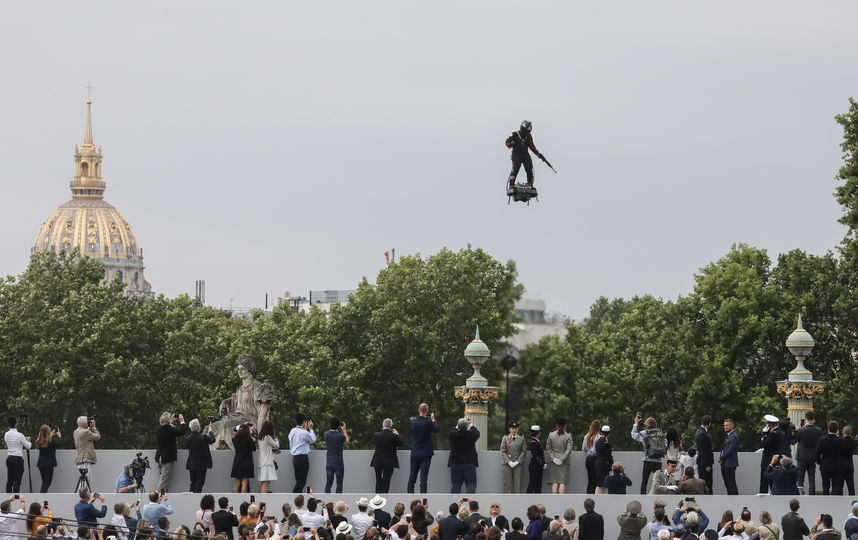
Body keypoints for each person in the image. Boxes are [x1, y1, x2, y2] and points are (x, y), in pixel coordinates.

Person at [212, 355, 276, 450]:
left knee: (226, 425)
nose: (240, 372)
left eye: (243, 369)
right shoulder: (240, 388)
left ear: (250, 369)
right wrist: (226, 401)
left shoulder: (257, 386)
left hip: (249, 421)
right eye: (238, 369)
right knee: (211, 427)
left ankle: (238, 450)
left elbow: (263, 410)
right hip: (236, 417)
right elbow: (234, 399)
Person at [505, 120, 548, 189]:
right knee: (516, 168)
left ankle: (530, 185)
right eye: (527, 131)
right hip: (516, 155)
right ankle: (511, 185)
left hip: (525, 155)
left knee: (530, 169)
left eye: (529, 131)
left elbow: (532, 146)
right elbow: (507, 142)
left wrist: (539, 154)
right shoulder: (514, 134)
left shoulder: (528, 136)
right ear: (523, 128)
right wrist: (510, 144)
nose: (528, 132)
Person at [407, 403, 439, 494]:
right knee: (423, 479)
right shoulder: (428, 422)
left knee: (412, 476)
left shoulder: (413, 422)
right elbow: (436, 429)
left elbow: (410, 432)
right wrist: (433, 420)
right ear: (427, 411)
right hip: (426, 453)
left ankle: (410, 496)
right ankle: (423, 500)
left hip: (415, 452)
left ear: (419, 410)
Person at [632, 416, 666, 495]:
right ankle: (658, 499)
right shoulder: (660, 433)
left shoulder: (644, 433)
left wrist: (636, 423)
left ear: (647, 424)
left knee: (644, 481)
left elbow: (633, 435)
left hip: (648, 460)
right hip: (658, 461)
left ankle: (643, 498)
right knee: (658, 482)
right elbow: (665, 444)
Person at [154, 412, 186, 492]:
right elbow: (182, 433)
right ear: (168, 422)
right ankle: (156, 498)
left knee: (163, 480)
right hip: (167, 458)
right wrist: (182, 421)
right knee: (164, 481)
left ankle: (163, 497)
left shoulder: (158, 430)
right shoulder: (170, 430)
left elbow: (166, 428)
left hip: (159, 457)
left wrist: (170, 422)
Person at [371, 418, 404, 494]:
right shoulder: (394, 436)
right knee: (387, 480)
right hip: (389, 461)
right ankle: (384, 498)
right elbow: (401, 443)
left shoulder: (376, 435)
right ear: (391, 426)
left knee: (378, 480)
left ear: (383, 425)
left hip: (378, 461)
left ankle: (377, 499)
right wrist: (398, 435)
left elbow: (373, 442)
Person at [795, 411, 823, 495]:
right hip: (812, 457)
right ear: (813, 419)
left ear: (806, 419)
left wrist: (797, 430)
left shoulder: (801, 430)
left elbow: (796, 440)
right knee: (812, 479)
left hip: (801, 457)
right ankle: (812, 495)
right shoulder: (818, 430)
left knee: (800, 479)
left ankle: (800, 495)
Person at [448, 418, 480, 494]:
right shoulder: (471, 434)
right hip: (469, 463)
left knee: (455, 485)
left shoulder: (453, 434)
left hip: (455, 463)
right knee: (471, 484)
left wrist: (458, 425)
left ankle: (455, 505)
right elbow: (477, 433)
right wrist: (471, 424)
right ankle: (470, 504)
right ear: (467, 426)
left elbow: (453, 431)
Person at [185, 419, 215, 493]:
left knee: (193, 482)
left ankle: (191, 496)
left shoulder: (188, 438)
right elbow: (212, 440)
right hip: (202, 464)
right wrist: (210, 431)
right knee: (200, 482)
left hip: (191, 463)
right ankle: (197, 498)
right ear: (199, 427)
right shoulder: (203, 437)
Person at [288, 413, 316, 493]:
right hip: (303, 458)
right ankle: (294, 498)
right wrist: (311, 429)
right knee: (302, 482)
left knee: (298, 481)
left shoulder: (292, 431)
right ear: (304, 422)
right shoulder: (305, 433)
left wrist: (305, 430)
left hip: (295, 458)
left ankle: (297, 498)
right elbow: (313, 439)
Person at [546, 417, 574, 494]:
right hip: (564, 463)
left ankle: (554, 502)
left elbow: (548, 448)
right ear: (565, 425)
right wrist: (561, 459)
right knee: (562, 483)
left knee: (555, 483)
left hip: (553, 462)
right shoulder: (568, 436)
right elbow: (569, 450)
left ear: (556, 425)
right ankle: (562, 503)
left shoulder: (551, 435)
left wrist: (554, 458)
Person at [4, 417, 31, 493]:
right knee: (17, 481)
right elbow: (28, 446)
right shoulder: (20, 435)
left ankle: (8, 499)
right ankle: (16, 498)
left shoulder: (6, 434)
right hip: (17, 459)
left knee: (10, 480)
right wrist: (28, 441)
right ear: (16, 424)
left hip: (9, 458)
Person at [500, 421, 527, 494]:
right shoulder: (505, 438)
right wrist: (509, 461)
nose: (514, 430)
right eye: (512, 428)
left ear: (517, 429)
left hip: (518, 464)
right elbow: (503, 451)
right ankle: (507, 499)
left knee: (517, 483)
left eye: (516, 428)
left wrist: (518, 461)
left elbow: (524, 451)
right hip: (507, 463)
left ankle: (517, 500)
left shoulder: (521, 438)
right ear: (509, 429)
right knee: (507, 483)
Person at [323, 418, 348, 494]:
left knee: (328, 483)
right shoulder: (340, 436)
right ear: (338, 426)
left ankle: (327, 500)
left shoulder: (326, 434)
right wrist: (344, 430)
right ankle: (338, 501)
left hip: (329, 461)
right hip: (338, 461)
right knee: (339, 483)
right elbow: (347, 441)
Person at [760, 415, 784, 493]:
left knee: (767, 483)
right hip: (770, 460)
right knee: (765, 483)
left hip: (770, 461)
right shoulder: (774, 432)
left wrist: (763, 434)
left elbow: (765, 444)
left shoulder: (775, 433)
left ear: (769, 424)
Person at [34, 425, 61, 494]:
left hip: (41, 464)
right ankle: (42, 496)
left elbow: (46, 440)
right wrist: (59, 435)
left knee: (45, 482)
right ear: (48, 432)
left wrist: (51, 435)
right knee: (47, 482)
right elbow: (59, 443)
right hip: (49, 465)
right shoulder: (52, 442)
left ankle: (43, 495)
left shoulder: (39, 441)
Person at [818, 420, 843, 496]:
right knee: (836, 485)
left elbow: (817, 453)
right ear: (837, 430)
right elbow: (842, 453)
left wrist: (820, 462)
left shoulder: (822, 439)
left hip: (825, 464)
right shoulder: (840, 440)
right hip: (836, 465)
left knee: (825, 485)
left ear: (828, 429)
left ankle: (826, 502)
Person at [74, 416, 100, 486]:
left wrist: (89, 427)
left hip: (80, 459)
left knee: (82, 482)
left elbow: (86, 433)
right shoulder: (85, 432)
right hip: (85, 460)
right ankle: (84, 496)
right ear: (85, 424)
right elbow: (97, 437)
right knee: (86, 482)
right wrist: (93, 427)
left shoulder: (76, 432)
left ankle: (82, 495)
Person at [256, 420, 280, 494]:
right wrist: (275, 436)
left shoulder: (260, 437)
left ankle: (260, 500)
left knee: (263, 482)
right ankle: (263, 500)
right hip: (267, 463)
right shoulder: (267, 437)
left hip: (262, 462)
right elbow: (277, 445)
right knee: (266, 483)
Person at [719, 418, 740, 495]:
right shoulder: (728, 436)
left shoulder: (734, 436)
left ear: (732, 426)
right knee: (727, 484)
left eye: (727, 425)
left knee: (731, 483)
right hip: (725, 463)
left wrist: (721, 458)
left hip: (730, 463)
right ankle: (730, 499)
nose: (725, 427)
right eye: (724, 425)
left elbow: (730, 450)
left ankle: (735, 500)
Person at [694, 416, 714, 494]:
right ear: (709, 423)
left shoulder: (699, 431)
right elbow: (704, 450)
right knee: (707, 484)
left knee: (705, 484)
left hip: (702, 462)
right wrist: (707, 465)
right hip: (704, 464)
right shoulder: (703, 433)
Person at [583, 421, 602, 494]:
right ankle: (593, 496)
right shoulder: (599, 437)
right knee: (596, 480)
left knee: (590, 480)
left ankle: (588, 496)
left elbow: (584, 449)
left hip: (588, 459)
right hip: (596, 458)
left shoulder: (586, 436)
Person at [526, 425, 545, 494]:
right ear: (538, 433)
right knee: (533, 483)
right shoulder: (534, 443)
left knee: (538, 483)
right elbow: (536, 455)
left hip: (538, 465)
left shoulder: (536, 441)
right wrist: (542, 463)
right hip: (535, 465)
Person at [594, 426, 613, 494]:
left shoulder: (599, 441)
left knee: (602, 484)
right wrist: (611, 463)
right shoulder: (605, 443)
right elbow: (608, 455)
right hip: (603, 465)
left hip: (599, 463)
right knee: (600, 484)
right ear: (608, 433)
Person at [840, 425, 855, 496]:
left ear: (844, 432)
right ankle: (853, 500)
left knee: (840, 485)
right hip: (849, 464)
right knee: (851, 485)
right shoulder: (853, 441)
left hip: (841, 465)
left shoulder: (840, 440)